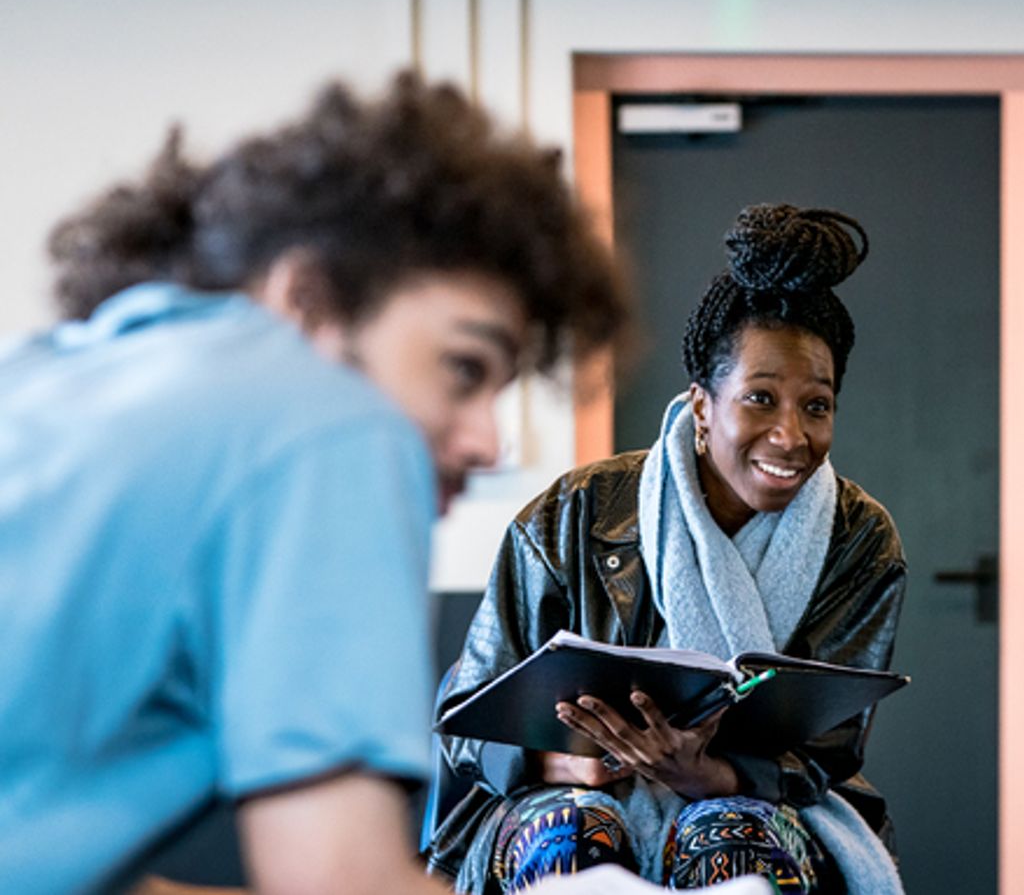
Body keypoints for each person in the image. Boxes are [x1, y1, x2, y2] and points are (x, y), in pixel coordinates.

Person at [0, 72, 628, 895]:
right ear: (306, 300)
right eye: (463, 368)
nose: (488, 440)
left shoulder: (61, 371)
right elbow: (339, 881)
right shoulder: (332, 423)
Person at [425, 205, 909, 894]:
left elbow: (827, 750)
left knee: (732, 835)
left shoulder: (859, 539)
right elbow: (466, 713)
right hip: (566, 796)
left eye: (817, 405)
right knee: (574, 831)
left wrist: (703, 775)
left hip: (755, 801)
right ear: (703, 404)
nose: (790, 435)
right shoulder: (573, 513)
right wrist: (563, 762)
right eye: (761, 398)